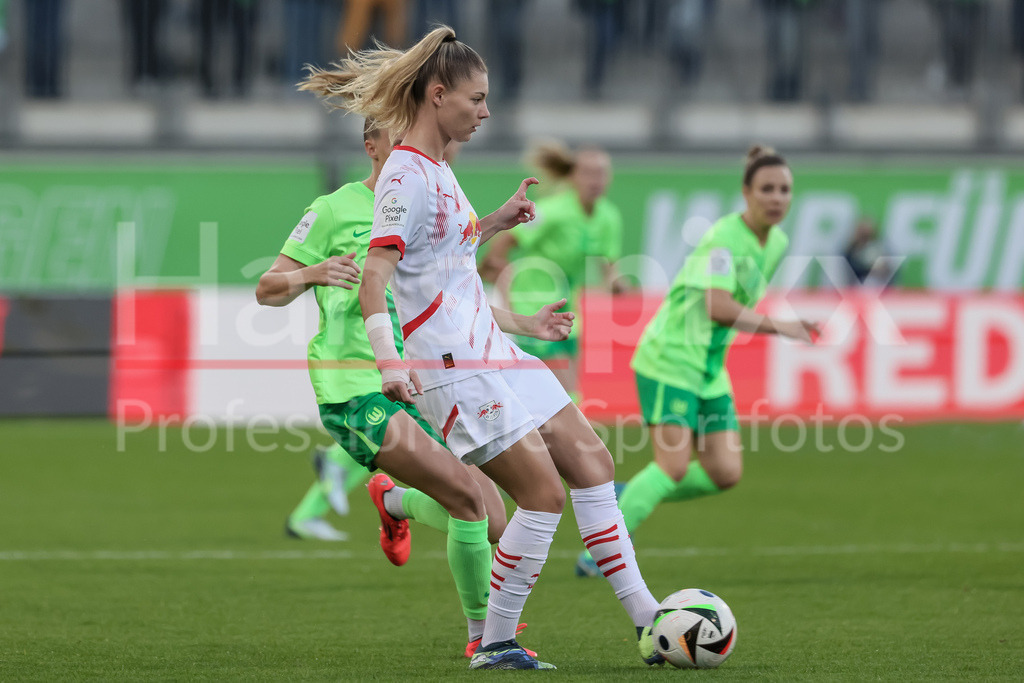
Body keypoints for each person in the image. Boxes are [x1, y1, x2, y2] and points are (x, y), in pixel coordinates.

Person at [301, 25, 664, 670]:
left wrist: (499, 228)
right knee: (543, 497)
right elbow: (377, 281)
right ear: (438, 96)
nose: (486, 111)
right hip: (454, 370)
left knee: (593, 463)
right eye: (477, 98)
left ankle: (648, 619)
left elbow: (449, 264)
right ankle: (494, 641)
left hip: (494, 352)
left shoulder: (437, 169)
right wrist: (389, 364)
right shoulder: (406, 177)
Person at [256, 119, 572, 658]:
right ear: (371, 145)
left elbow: (454, 299)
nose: (407, 149)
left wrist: (526, 322)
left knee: (497, 520)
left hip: (426, 381)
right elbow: (268, 288)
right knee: (471, 501)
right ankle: (484, 639)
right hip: (356, 385)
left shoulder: (424, 204)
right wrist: (313, 273)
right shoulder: (333, 209)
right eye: (393, 138)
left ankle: (394, 499)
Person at [577, 145, 819, 576]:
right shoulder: (724, 238)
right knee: (672, 466)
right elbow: (718, 306)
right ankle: (602, 552)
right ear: (746, 192)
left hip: (707, 368)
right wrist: (782, 327)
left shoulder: (776, 241)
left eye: (784, 190)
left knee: (724, 472)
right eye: (767, 189)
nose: (777, 198)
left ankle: (631, 494)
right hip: (670, 358)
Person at [481, 140, 626, 399]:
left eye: (602, 173)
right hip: (531, 307)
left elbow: (609, 268)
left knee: (565, 394)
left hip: (569, 312)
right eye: (589, 173)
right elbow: (501, 247)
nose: (597, 180)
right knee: (560, 396)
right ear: (573, 177)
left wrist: (618, 283)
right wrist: (505, 278)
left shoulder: (608, 217)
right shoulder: (551, 212)